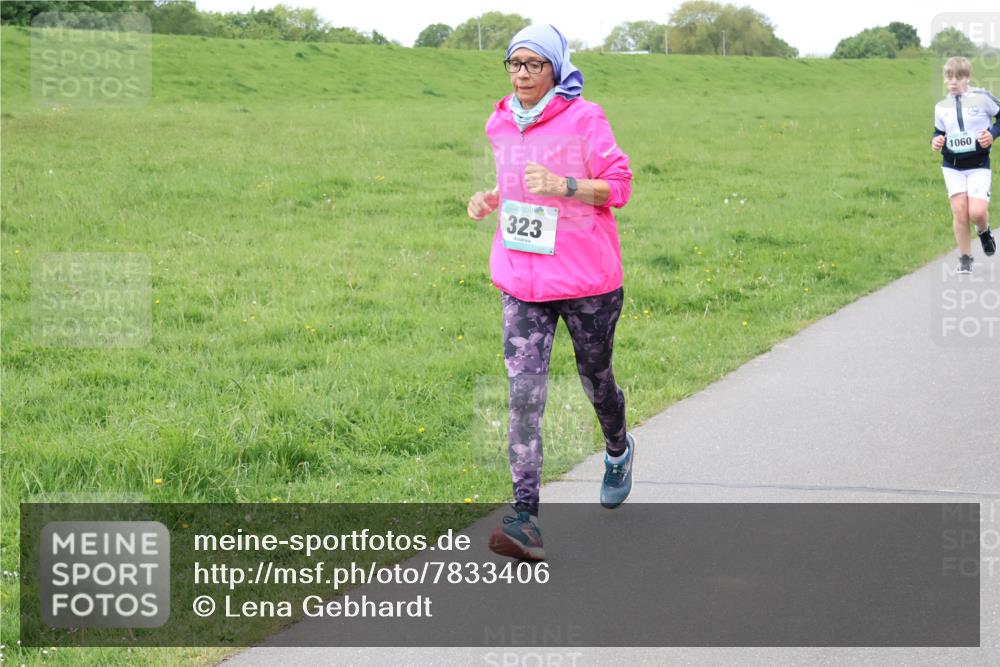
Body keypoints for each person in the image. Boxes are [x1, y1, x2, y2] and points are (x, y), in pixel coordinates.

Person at [466, 24, 634, 561]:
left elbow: (620, 186)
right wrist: (491, 198)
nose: (521, 73)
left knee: (596, 378)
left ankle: (617, 448)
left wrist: (565, 186)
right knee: (523, 396)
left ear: (556, 68)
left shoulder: (586, 118)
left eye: (534, 64)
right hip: (523, 279)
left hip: (586, 279)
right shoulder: (499, 122)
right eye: (514, 63)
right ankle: (526, 519)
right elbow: (516, 182)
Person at [931, 56, 1000, 274]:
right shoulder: (942, 106)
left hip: (978, 164)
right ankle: (965, 257)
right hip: (952, 165)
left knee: (977, 212)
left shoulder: (981, 98)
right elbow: (939, 132)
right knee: (959, 211)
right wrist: (936, 140)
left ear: (967, 78)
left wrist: (992, 134)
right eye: (949, 77)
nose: (953, 82)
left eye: (958, 78)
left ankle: (984, 231)